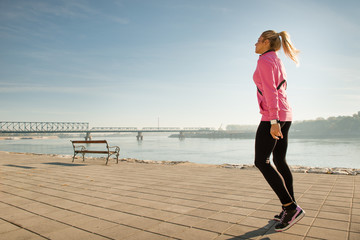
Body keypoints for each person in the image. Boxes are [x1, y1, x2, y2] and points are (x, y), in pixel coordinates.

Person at [253, 30, 305, 232]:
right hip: (286, 114)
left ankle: (290, 207)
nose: (255, 44)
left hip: (274, 117)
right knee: (279, 161)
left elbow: (270, 90)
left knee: (261, 161)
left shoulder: (265, 60)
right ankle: (289, 207)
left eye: (257, 41)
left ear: (266, 42)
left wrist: (273, 120)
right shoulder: (275, 59)